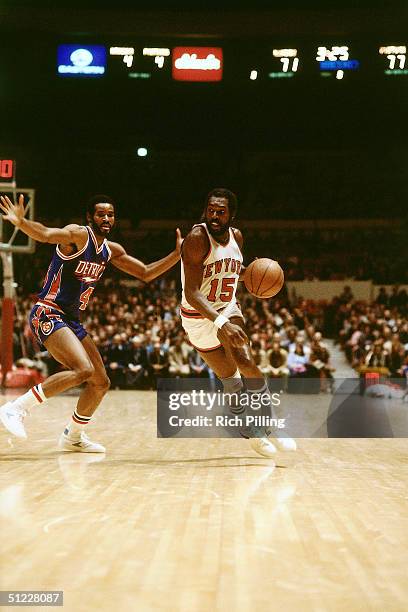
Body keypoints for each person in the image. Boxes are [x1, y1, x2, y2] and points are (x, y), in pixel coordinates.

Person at [0, 193, 182, 451]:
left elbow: (145, 273)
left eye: (110, 214)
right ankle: (15, 409)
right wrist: (22, 223)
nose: (106, 218)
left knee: (100, 382)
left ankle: (73, 436)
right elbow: (46, 234)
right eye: (101, 214)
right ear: (90, 217)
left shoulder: (110, 250)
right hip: (48, 311)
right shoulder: (77, 236)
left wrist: (177, 254)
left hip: (71, 319)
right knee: (83, 370)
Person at [180, 188, 296, 458]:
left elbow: (232, 271)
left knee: (245, 361)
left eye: (221, 211)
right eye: (211, 210)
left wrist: (258, 275)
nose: (215, 216)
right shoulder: (197, 238)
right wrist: (221, 322)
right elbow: (193, 293)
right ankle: (249, 429)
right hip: (198, 316)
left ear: (232, 214)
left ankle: (268, 424)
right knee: (230, 381)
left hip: (227, 306)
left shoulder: (237, 237)